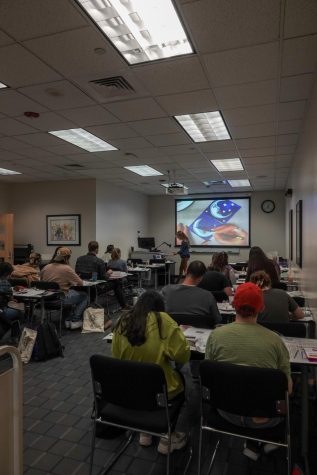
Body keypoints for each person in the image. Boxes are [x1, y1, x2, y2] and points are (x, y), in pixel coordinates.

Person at [205, 282, 292, 459]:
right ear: (262, 307)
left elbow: (209, 376)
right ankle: (262, 441)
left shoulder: (216, 336)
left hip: (225, 412)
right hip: (266, 418)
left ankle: (254, 443)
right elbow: (287, 389)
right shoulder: (275, 341)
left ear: (233, 305)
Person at [112, 290, 190, 454]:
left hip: (129, 388)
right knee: (180, 382)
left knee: (145, 383)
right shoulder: (164, 321)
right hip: (161, 392)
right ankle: (167, 437)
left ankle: (145, 433)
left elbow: (116, 357)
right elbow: (182, 354)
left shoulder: (122, 321)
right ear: (160, 307)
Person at [40, 247, 88, 330]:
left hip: (45, 299)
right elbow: (80, 283)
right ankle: (75, 320)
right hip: (60, 299)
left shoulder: (46, 267)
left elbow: (41, 281)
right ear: (67, 258)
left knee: (71, 293)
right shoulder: (67, 269)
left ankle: (67, 319)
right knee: (85, 296)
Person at [161, 261, 221, 325]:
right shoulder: (208, 296)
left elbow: (155, 313)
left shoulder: (166, 290)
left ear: (186, 271)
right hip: (199, 333)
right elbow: (217, 319)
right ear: (201, 277)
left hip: (169, 332)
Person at [0, 262, 23, 340]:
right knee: (20, 309)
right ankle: (15, 336)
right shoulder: (5, 283)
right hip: (2, 310)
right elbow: (11, 300)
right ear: (8, 273)